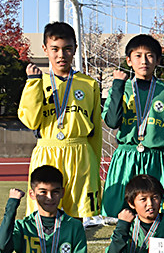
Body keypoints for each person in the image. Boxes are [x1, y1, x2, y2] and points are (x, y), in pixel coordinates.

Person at [18, 22, 102, 221]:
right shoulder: (38, 81)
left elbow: (96, 129)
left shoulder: (89, 84)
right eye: (55, 49)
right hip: (47, 151)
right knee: (43, 214)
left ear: (75, 49)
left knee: (76, 217)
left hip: (80, 153)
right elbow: (30, 120)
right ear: (45, 49)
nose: (61, 55)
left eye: (67, 49)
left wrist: (95, 163)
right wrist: (32, 84)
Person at [102, 34, 164, 218]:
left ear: (158, 60)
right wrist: (118, 86)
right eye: (138, 55)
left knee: (159, 216)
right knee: (122, 214)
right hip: (126, 157)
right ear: (129, 60)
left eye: (150, 55)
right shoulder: (120, 88)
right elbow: (112, 122)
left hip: (157, 159)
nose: (144, 60)